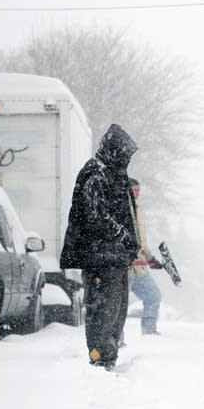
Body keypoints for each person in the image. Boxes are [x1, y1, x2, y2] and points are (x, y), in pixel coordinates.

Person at [60, 124, 140, 370]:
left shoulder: (113, 174)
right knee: (103, 313)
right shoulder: (96, 173)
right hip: (99, 259)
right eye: (124, 154)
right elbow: (95, 215)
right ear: (114, 151)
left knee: (115, 313)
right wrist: (123, 234)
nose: (126, 160)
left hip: (113, 258)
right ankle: (100, 360)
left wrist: (128, 243)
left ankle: (108, 359)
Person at [127, 178, 163, 336]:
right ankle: (116, 340)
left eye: (139, 190)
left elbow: (141, 241)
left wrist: (150, 258)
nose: (138, 193)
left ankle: (149, 330)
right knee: (118, 305)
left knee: (153, 295)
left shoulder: (138, 210)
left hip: (140, 268)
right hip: (124, 268)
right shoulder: (118, 209)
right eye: (135, 190)